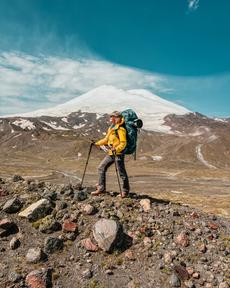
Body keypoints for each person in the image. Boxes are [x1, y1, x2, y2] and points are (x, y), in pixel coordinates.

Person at [91, 111, 130, 198]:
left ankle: (125, 191)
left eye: (115, 117)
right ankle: (101, 188)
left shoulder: (121, 129)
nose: (112, 118)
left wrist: (116, 149)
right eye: (112, 117)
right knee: (101, 167)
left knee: (121, 172)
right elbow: (106, 139)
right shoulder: (111, 128)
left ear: (119, 118)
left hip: (118, 154)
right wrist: (96, 143)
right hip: (111, 153)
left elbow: (123, 143)